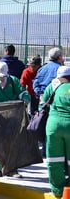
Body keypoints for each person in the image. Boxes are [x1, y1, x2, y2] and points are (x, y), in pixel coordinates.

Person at [42, 66, 70, 198]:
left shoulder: (53, 86)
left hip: (53, 126)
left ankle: (58, 191)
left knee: (54, 160)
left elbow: (42, 105)